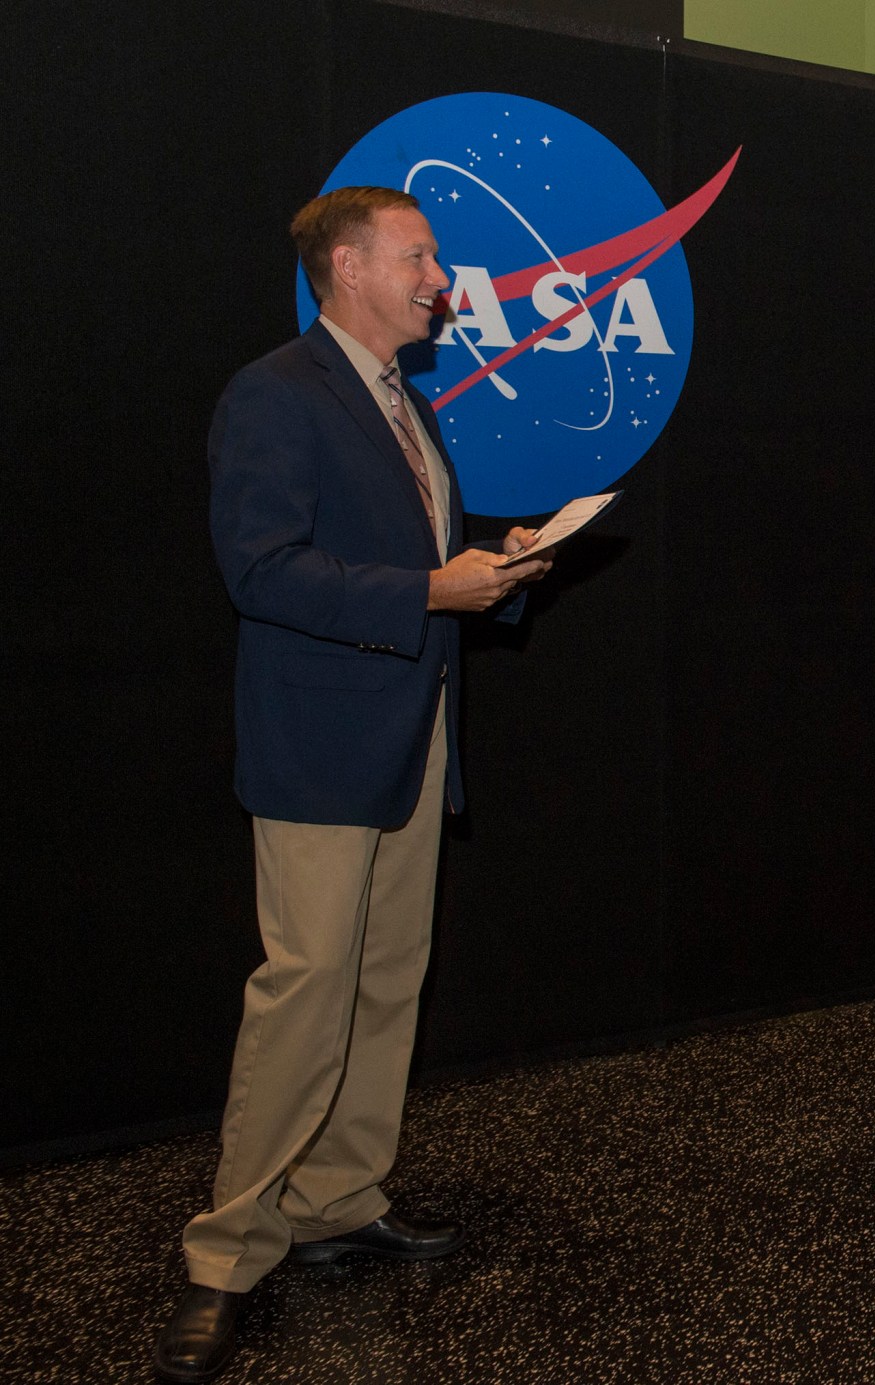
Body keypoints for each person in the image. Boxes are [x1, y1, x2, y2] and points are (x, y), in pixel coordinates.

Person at [154, 186, 550, 1381]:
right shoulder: (275, 394)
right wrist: (434, 592)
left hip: (412, 734)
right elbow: (263, 570)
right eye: (420, 255)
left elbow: (415, 558)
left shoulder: (404, 400)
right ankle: (225, 1254)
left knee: (385, 980)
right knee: (307, 989)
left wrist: (501, 568)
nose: (442, 278)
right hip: (321, 745)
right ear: (348, 266)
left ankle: (336, 1198)